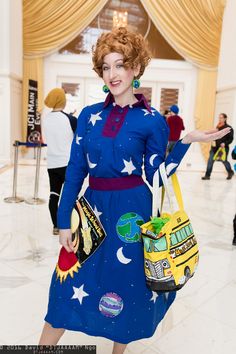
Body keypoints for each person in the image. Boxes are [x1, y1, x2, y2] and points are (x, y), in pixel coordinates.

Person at [39, 27, 231, 354]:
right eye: (106, 66)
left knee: (125, 290)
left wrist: (185, 142)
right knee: (63, 290)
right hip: (92, 214)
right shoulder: (88, 116)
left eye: (120, 65)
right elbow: (74, 172)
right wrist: (64, 221)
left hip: (132, 215)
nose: (112, 74)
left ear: (136, 68)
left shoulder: (152, 120)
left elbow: (158, 176)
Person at [43, 88, 77, 235]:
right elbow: (78, 139)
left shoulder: (45, 118)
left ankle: (56, 226)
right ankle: (71, 224)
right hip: (67, 163)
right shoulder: (70, 120)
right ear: (63, 100)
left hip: (52, 163)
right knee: (70, 196)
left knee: (54, 194)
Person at [202, 113, 234, 180]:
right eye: (219, 117)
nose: (220, 119)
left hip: (223, 149)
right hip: (214, 148)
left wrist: (225, 143)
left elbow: (231, 139)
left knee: (224, 161)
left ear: (225, 118)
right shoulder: (217, 127)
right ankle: (207, 175)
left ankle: (230, 172)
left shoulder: (229, 128)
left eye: (221, 118)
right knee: (210, 160)